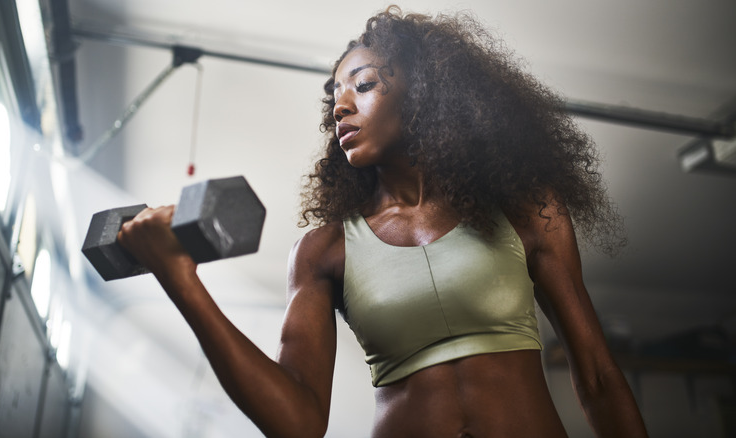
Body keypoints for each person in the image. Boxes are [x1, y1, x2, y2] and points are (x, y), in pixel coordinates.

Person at [117, 6, 648, 438]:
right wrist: (179, 280)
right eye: (334, 97)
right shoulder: (323, 250)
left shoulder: (526, 206)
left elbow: (599, 377)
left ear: (425, 94)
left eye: (363, 85)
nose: (339, 108)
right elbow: (297, 423)